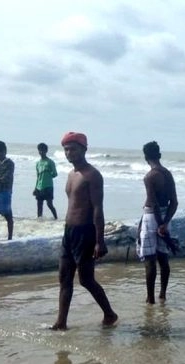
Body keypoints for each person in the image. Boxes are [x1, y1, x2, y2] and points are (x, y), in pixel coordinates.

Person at [51, 131, 118, 330]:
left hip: (85, 232)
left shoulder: (93, 176)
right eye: (66, 149)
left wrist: (100, 240)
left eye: (73, 149)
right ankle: (61, 322)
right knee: (64, 277)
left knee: (86, 280)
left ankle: (109, 314)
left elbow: (98, 209)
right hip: (69, 232)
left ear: (83, 149)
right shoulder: (71, 174)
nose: (69, 153)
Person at [137, 141, 179, 304]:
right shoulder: (168, 174)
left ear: (146, 157)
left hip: (151, 218)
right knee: (163, 257)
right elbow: (174, 202)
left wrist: (159, 224)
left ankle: (150, 298)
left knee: (149, 259)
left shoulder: (149, 177)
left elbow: (153, 204)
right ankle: (162, 294)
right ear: (159, 155)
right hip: (166, 217)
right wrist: (165, 223)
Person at [34, 142, 59, 219]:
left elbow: (55, 174)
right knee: (39, 205)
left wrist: (48, 174)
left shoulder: (50, 162)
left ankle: (56, 218)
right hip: (39, 186)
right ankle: (39, 220)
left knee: (49, 204)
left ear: (46, 151)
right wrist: (35, 187)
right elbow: (38, 176)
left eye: (43, 150)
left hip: (48, 186)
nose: (41, 152)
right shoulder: (38, 163)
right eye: (40, 150)